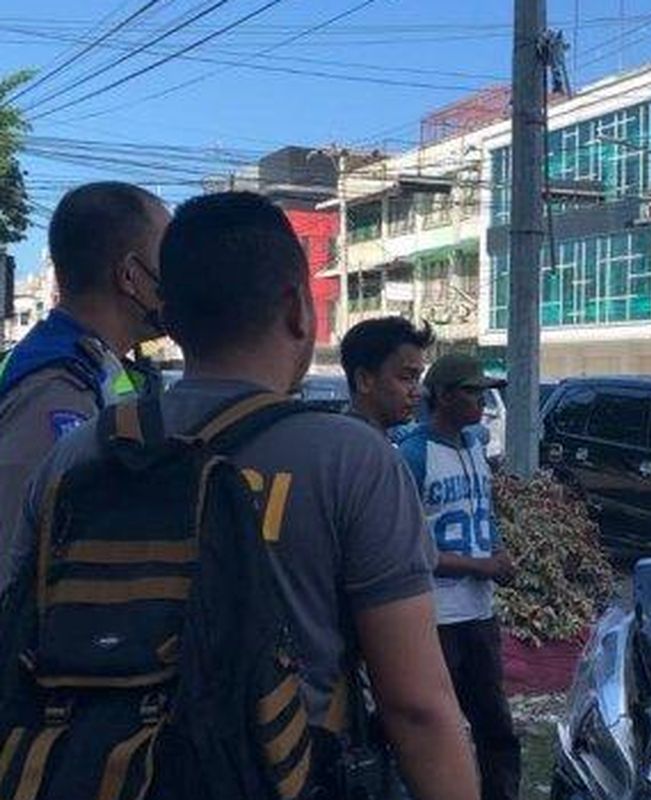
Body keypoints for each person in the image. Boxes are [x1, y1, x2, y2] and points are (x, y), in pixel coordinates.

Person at [1, 192, 479, 800]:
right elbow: (416, 709)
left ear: (169, 317)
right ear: (299, 310)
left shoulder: (80, 452)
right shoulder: (351, 461)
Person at [0, 182, 169, 556]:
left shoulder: (93, 367)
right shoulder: (57, 390)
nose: (177, 278)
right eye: (168, 259)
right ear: (130, 276)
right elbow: (14, 555)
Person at [395, 353, 521, 800]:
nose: (482, 401)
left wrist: (498, 552)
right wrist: (478, 566)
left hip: (479, 612)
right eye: (472, 391)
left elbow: (483, 512)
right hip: (437, 616)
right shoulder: (412, 455)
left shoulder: (474, 445)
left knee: (496, 725)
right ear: (443, 396)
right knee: (436, 726)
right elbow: (408, 546)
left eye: (484, 392)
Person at [340, 316, 434, 431]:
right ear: (363, 380)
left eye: (418, 379)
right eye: (406, 378)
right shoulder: (354, 445)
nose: (418, 392)